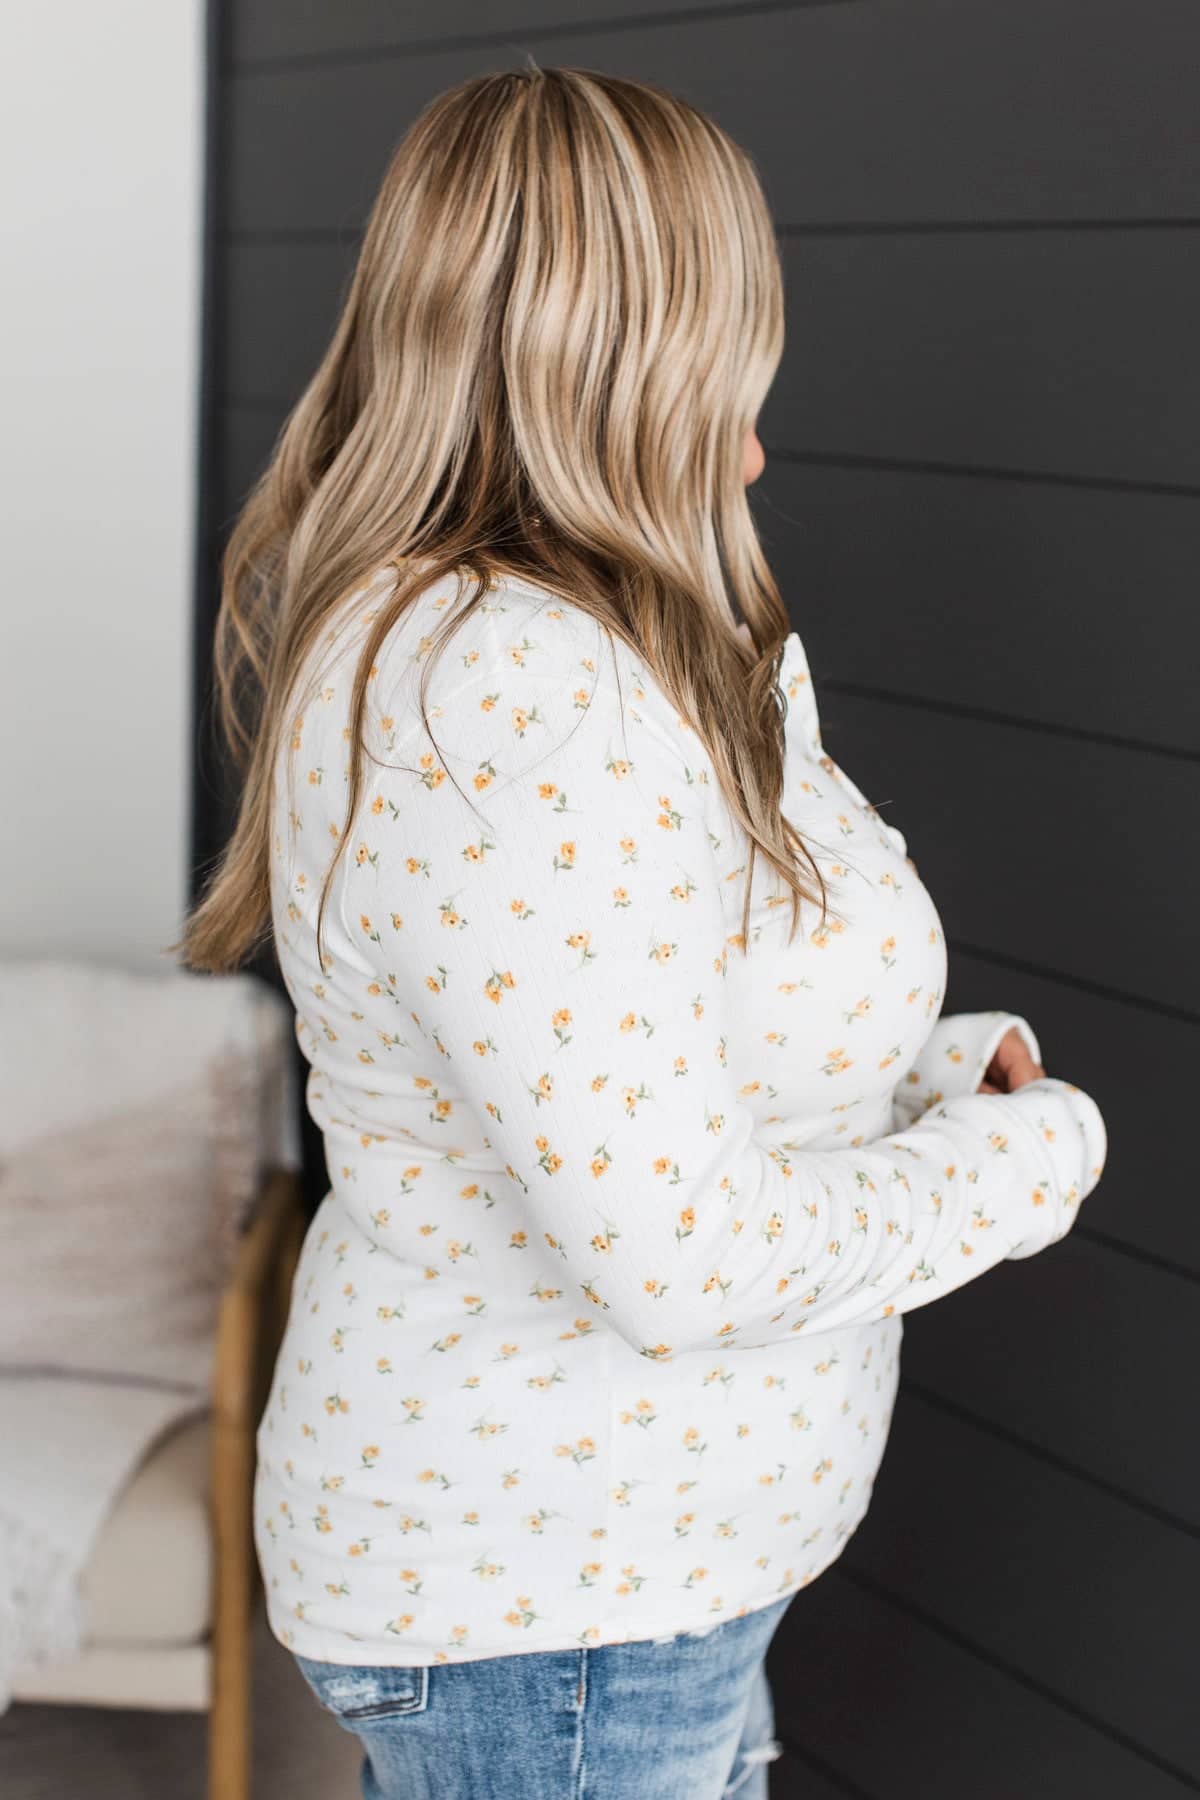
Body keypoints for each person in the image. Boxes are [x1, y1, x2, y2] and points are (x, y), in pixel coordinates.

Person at [178, 63, 1107, 1800]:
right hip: (564, 1620)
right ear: (624, 355)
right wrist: (1027, 1166)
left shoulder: (586, 641)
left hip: (643, 1589)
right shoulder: (516, 697)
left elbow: (625, 1049)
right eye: (729, 334)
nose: (758, 399)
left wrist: (918, 1076)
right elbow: (682, 1257)